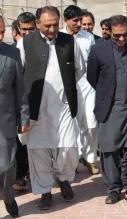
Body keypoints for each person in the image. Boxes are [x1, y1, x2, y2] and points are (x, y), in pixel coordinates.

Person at [17, 6, 84, 210]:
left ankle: (63, 179)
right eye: (48, 25)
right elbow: (19, 75)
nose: (53, 29)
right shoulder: (24, 44)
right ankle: (45, 190)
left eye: (55, 24)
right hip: (36, 108)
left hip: (63, 106)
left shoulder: (70, 42)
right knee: (38, 151)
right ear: (37, 24)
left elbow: (79, 70)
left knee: (68, 148)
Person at [87, 15, 127, 207]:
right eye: (117, 36)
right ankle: (113, 188)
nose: (122, 39)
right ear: (109, 33)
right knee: (109, 149)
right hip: (110, 106)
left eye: (125, 35)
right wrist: (108, 94)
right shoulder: (98, 50)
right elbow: (92, 78)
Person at [60, 5, 98, 175]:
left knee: (91, 123)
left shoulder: (88, 37)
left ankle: (90, 159)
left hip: (87, 83)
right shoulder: (58, 37)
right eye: (75, 21)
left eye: (80, 20)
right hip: (66, 85)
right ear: (66, 20)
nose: (79, 24)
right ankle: (73, 160)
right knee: (72, 125)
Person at [0, 15, 28, 218]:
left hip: (5, 121)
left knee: (8, 165)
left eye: (1, 31)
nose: (0, 36)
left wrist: (23, 117)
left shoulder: (12, 53)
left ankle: (8, 195)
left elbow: (20, 89)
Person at [12, 11, 36, 192]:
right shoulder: (18, 47)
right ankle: (21, 175)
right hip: (22, 101)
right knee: (22, 140)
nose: (28, 33)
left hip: (42, 100)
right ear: (18, 29)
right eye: (24, 30)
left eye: (31, 29)